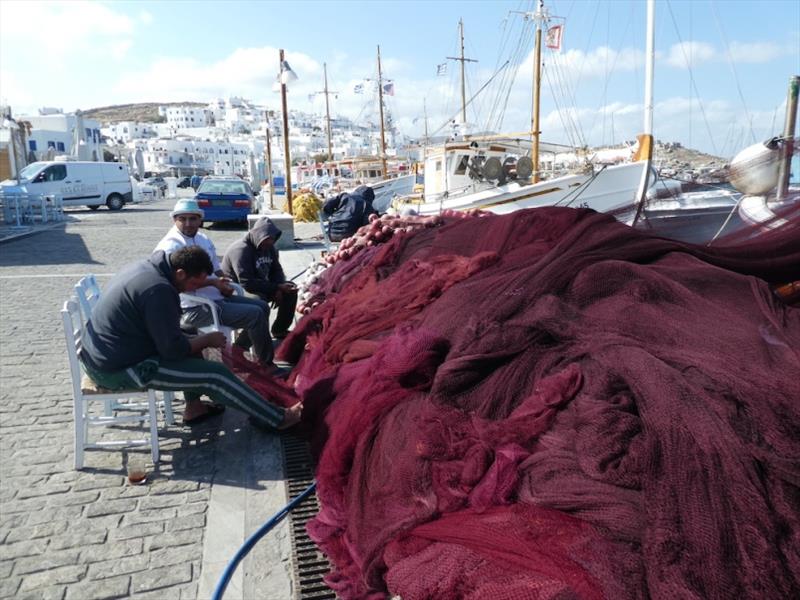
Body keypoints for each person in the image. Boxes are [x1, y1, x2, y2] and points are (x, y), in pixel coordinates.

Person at [79, 246, 302, 429]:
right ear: (180, 273)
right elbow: (173, 351)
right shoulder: (158, 290)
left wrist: (197, 340)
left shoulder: (150, 268)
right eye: (194, 284)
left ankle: (194, 408)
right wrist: (207, 340)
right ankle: (279, 419)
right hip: (118, 369)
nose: (193, 289)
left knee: (194, 338)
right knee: (215, 375)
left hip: (111, 352)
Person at [154, 199, 280, 375]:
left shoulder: (202, 239)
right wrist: (213, 283)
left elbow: (216, 269)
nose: (188, 223)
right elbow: (179, 284)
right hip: (196, 308)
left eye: (193, 218)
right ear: (174, 220)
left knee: (261, 306)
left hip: (216, 297)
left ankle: (239, 350)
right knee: (255, 315)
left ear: (200, 220)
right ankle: (266, 365)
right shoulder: (171, 246)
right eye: (183, 219)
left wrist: (224, 282)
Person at [221, 218, 298, 340]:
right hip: (237, 290)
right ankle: (246, 343)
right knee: (259, 302)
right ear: (257, 235)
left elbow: (276, 270)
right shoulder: (241, 250)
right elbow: (247, 283)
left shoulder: (269, 247)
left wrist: (279, 285)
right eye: (266, 239)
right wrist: (275, 288)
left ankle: (279, 330)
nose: (269, 242)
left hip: (260, 284)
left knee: (290, 290)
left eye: (272, 239)